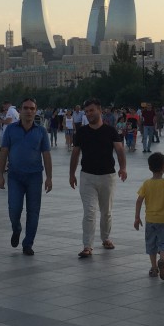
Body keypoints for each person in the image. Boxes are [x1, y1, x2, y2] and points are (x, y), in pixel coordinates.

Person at [70, 98, 127, 258]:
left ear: (100, 111)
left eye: (91, 110)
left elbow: (120, 150)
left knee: (106, 211)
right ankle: (87, 246)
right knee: (89, 212)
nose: (88, 114)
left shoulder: (110, 131)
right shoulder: (81, 132)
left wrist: (123, 168)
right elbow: (75, 153)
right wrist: (71, 174)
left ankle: (106, 237)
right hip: (87, 176)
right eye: (86, 111)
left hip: (107, 176)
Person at [0, 97, 52, 256]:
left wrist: (49, 177)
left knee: (33, 211)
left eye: (32, 108)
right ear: (20, 111)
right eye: (25, 108)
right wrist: (0, 175)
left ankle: (28, 243)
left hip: (34, 176)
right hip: (15, 176)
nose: (28, 111)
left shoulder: (41, 131)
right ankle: (16, 228)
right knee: (14, 209)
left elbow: (46, 155)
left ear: (36, 111)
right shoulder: (11, 129)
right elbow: (4, 153)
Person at [134, 152, 164, 280]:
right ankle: (162, 260)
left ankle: (154, 268)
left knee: (151, 243)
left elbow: (139, 200)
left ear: (150, 168)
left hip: (150, 220)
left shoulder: (146, 184)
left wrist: (137, 217)